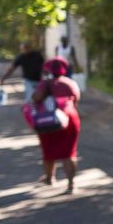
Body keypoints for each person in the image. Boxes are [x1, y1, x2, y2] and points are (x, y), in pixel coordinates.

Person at [31, 56, 82, 194]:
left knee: (49, 150)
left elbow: (36, 98)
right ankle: (71, 185)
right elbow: (76, 99)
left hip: (48, 119)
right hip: (69, 118)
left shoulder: (45, 83)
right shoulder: (70, 83)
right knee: (69, 152)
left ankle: (50, 178)